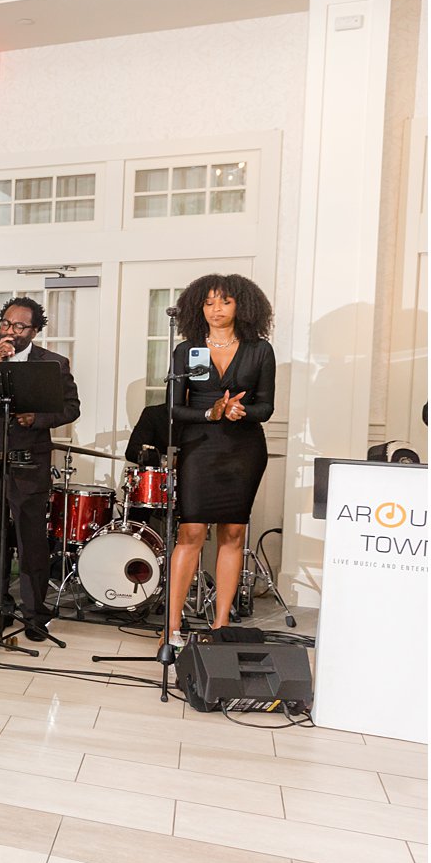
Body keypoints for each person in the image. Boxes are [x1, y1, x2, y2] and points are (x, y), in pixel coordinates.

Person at [165, 273, 276, 648]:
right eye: (209, 302)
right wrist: (211, 414)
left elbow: (267, 407)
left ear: (240, 306)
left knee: (233, 534)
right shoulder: (188, 350)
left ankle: (220, 626)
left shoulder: (260, 350)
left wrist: (241, 411)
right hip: (199, 446)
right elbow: (174, 408)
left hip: (243, 451)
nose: (216, 309)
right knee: (191, 533)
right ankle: (172, 628)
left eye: (224, 302)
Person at [0, 297, 80, 641]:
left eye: (19, 327)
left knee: (31, 542)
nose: (10, 331)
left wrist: (37, 418)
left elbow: (71, 408)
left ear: (35, 330)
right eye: (6, 324)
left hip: (30, 462)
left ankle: (35, 614)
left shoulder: (54, 364)